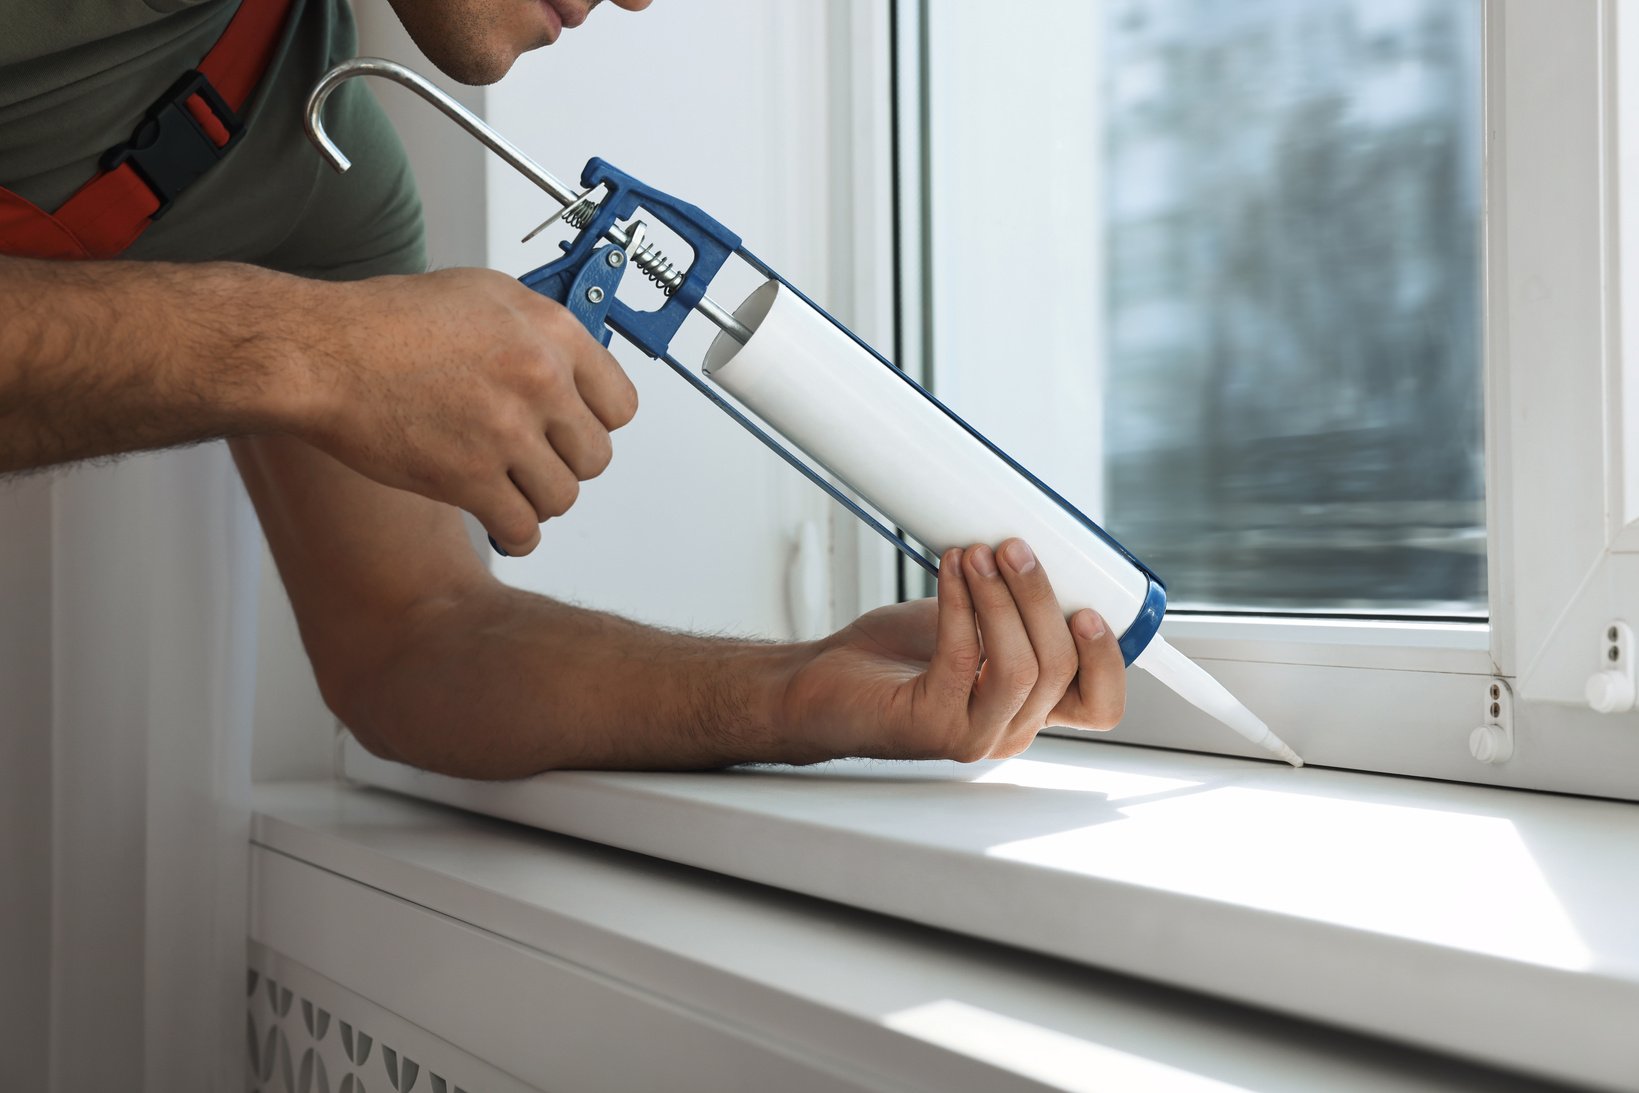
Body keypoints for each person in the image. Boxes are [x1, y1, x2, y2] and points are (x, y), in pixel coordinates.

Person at [0, 0, 1125, 779]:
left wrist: (794, 692)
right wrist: (313, 353)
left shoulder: (323, 186)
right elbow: (319, 357)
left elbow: (412, 639)